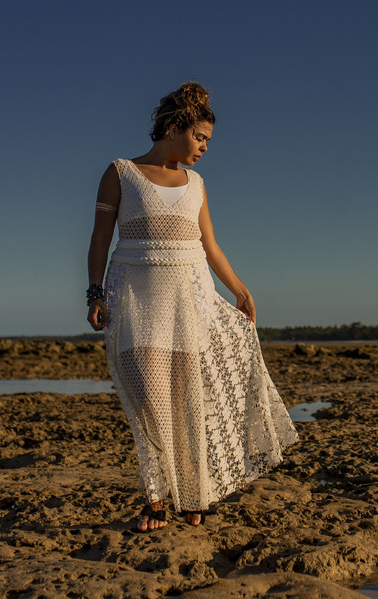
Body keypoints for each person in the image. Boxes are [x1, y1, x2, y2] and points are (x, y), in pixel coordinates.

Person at [86, 82, 297, 532]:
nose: (204, 148)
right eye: (200, 137)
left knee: (183, 407)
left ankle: (189, 497)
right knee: (150, 403)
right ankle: (158, 497)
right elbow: (101, 237)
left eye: (207, 141)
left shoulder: (196, 183)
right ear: (174, 126)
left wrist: (240, 289)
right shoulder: (121, 172)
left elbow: (211, 246)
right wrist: (94, 292)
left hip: (190, 304)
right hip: (135, 304)